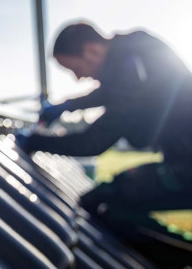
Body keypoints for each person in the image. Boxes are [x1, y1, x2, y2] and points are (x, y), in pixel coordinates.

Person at [16, 22, 192, 251]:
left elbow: (94, 141)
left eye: (74, 69)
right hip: (182, 161)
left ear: (92, 50)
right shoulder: (136, 53)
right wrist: (67, 106)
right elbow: (112, 93)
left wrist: (34, 141)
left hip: (186, 167)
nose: (79, 78)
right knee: (111, 199)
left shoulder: (132, 66)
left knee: (104, 203)